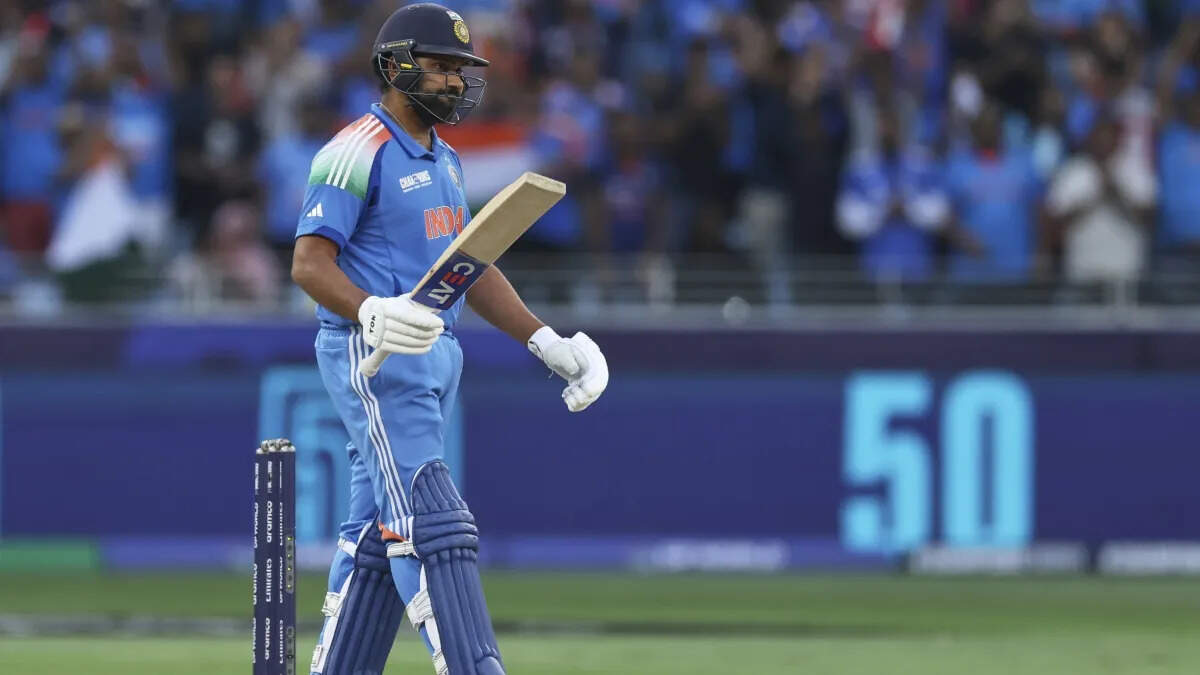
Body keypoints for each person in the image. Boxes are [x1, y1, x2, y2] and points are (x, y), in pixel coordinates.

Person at [289, 5, 609, 675]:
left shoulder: (447, 160)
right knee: (431, 517)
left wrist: (544, 340)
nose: (455, 82)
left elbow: (468, 268)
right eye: (440, 67)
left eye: (461, 70)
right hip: (377, 354)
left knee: (375, 531)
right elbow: (309, 265)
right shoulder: (355, 151)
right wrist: (370, 309)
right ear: (394, 67)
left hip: (437, 355)